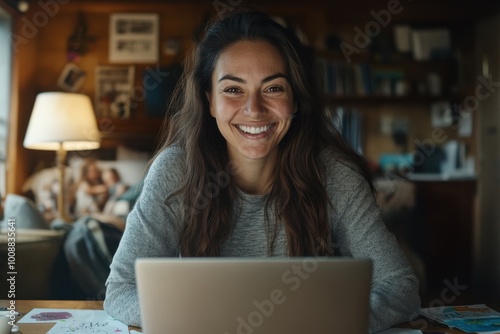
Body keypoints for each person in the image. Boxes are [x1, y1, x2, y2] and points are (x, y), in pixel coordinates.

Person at [104, 9, 420, 332]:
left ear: (295, 100)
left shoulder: (334, 174)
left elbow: (401, 287)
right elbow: (120, 289)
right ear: (209, 100)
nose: (254, 110)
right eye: (233, 89)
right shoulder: (174, 171)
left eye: (273, 88)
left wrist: (320, 325)